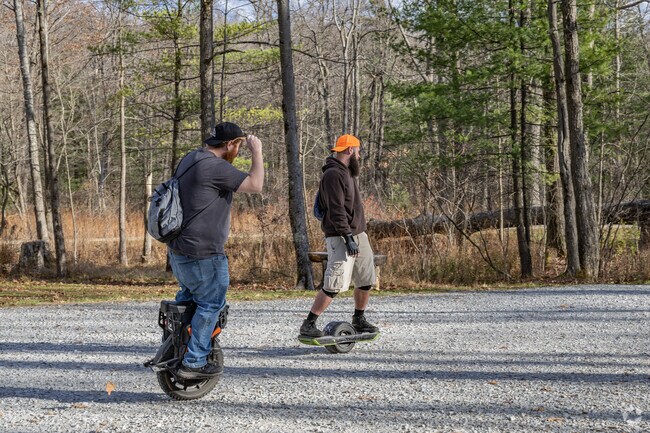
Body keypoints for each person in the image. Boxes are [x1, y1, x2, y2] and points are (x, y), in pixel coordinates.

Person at [168, 122, 263, 379]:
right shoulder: (216, 166)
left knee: (189, 301)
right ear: (230, 144)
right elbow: (256, 185)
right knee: (211, 304)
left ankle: (175, 349)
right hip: (204, 253)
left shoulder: (191, 158)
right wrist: (257, 151)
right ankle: (194, 362)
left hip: (179, 250)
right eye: (239, 146)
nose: (239, 150)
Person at [300, 134, 379, 338]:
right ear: (350, 150)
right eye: (358, 150)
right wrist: (348, 237)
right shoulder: (333, 174)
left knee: (366, 278)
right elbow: (336, 209)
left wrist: (355, 235)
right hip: (340, 235)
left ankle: (359, 319)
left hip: (358, 233)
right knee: (334, 282)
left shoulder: (347, 172)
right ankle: (309, 324)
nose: (360, 155)